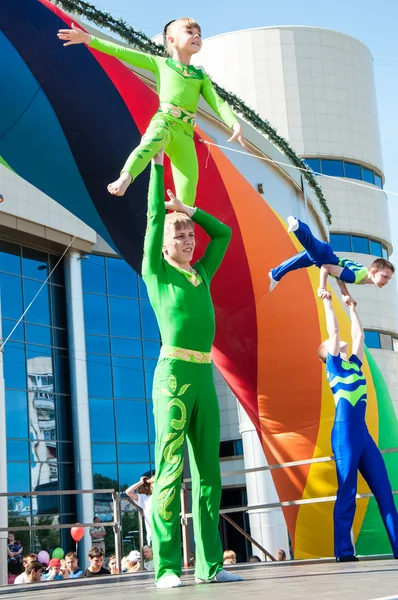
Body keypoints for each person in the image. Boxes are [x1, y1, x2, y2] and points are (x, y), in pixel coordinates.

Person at [141, 149, 242, 588]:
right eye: (178, 234)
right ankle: (165, 566)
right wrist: (159, 171)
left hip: (204, 375)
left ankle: (210, 565)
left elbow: (223, 236)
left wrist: (189, 209)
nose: (187, 239)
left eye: (187, 234)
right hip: (174, 378)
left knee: (209, 474)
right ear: (164, 245)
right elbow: (150, 223)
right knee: (169, 469)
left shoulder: (201, 272)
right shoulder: (157, 273)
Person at [57, 18, 246, 203]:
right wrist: (88, 39)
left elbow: (217, 102)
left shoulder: (200, 76)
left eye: (199, 34)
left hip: (186, 132)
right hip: (165, 120)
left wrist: (234, 123)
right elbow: (121, 52)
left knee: (189, 183)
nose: (196, 36)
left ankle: (182, 214)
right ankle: (125, 178)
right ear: (171, 40)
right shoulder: (160, 63)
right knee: (148, 144)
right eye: (189, 32)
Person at [318, 295, 398, 561]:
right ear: (326, 352)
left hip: (362, 434)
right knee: (347, 491)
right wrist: (328, 302)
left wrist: (353, 310)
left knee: (385, 491)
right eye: (330, 343)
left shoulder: (354, 363)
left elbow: (359, 336)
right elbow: (335, 330)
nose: (336, 341)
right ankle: (343, 551)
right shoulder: (334, 365)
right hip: (344, 434)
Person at [269, 217, 395, 305]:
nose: (386, 281)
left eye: (388, 278)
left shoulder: (362, 272)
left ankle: (275, 274)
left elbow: (339, 274)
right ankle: (297, 224)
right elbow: (326, 267)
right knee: (309, 241)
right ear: (373, 272)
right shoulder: (356, 276)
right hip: (323, 257)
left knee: (296, 262)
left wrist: (345, 293)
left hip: (325, 254)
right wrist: (322, 288)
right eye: (385, 276)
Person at [125, 475, 154, 545]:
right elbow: (128, 492)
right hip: (153, 537)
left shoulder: (164, 497)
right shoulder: (146, 499)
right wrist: (140, 482)